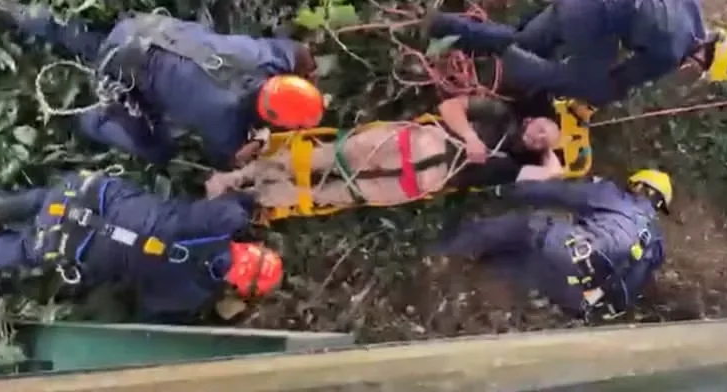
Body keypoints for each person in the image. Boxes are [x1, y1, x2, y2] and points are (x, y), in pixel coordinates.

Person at [0, 0, 325, 170]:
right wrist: (252, 148)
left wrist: (309, 75)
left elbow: (300, 53)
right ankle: (84, 119)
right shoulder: (224, 117)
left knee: (77, 35)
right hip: (123, 66)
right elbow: (231, 157)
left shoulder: (264, 58)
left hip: (146, 28)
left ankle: (19, 13)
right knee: (159, 150)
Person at [0, 170, 283, 324]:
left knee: (41, 201)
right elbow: (146, 305)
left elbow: (239, 200)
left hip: (83, 194)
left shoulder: (225, 220)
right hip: (63, 243)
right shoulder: (191, 295)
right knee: (23, 249)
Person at [428, 0, 727, 106]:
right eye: (701, 67)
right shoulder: (671, 51)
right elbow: (622, 78)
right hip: (592, 16)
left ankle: (442, 25)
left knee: (527, 40)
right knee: (590, 82)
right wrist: (603, 97)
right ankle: (509, 74)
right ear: (704, 59)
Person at [204, 93, 565, 208]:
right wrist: (470, 138)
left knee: (327, 193)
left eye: (544, 142)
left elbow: (555, 173)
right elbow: (449, 107)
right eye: (542, 130)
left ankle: (246, 200)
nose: (538, 138)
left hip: (419, 181)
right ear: (532, 118)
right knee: (321, 158)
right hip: (413, 143)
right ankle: (233, 178)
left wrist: (552, 149)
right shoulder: (499, 114)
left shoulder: (513, 166)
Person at [435, 169, 672, 322]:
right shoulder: (656, 245)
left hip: (562, 250)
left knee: (525, 227)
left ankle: (436, 253)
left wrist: (506, 190)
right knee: (522, 267)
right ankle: (473, 285)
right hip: (578, 294)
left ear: (640, 187)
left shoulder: (613, 196)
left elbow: (560, 193)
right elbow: (627, 292)